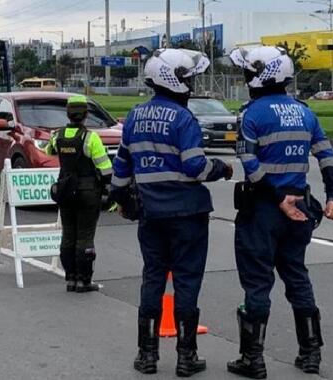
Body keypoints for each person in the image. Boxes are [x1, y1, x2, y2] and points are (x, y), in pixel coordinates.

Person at [110, 49, 233, 377]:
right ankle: (185, 356)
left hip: (151, 214)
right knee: (187, 281)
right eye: (188, 78)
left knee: (152, 278)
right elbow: (195, 165)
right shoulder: (183, 118)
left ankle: (147, 355)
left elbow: (120, 171)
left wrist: (122, 199)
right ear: (175, 81)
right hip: (188, 215)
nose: (191, 84)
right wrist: (222, 167)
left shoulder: (134, 117)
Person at [225, 46, 333, 379]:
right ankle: (311, 354)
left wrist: (277, 198)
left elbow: (249, 162)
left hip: (263, 209)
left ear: (260, 77)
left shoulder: (252, 115)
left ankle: (253, 360)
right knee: (297, 276)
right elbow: (327, 156)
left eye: (248, 73)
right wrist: (332, 196)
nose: (246, 79)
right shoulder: (305, 113)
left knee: (258, 284)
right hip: (301, 208)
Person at [46, 95, 113, 293]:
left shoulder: (57, 135)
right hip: (87, 192)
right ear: (85, 115)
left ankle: (71, 279)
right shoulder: (90, 137)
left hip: (65, 191)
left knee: (68, 235)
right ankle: (84, 281)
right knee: (85, 236)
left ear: (68, 113)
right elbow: (106, 169)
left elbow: (49, 151)